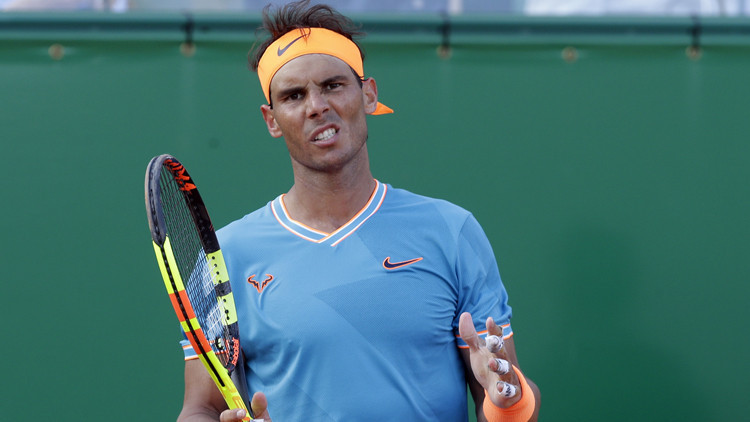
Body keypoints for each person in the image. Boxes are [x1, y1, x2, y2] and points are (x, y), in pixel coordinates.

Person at [177, 1, 540, 421]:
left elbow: (507, 400)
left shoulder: (451, 231)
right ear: (271, 119)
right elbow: (199, 408)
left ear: (368, 94)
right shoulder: (224, 256)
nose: (316, 106)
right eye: (294, 96)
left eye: (332, 85)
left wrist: (509, 400)